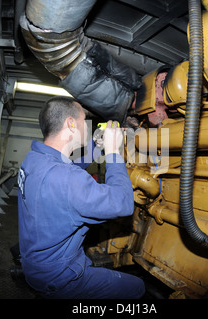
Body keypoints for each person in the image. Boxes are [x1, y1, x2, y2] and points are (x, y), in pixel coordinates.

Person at [17, 96, 145, 299]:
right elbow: (123, 203)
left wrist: (96, 147)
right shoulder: (67, 180)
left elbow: (68, 169)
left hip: (35, 264)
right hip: (58, 277)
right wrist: (113, 152)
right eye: (83, 119)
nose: (87, 125)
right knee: (137, 287)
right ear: (70, 123)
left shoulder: (35, 159)